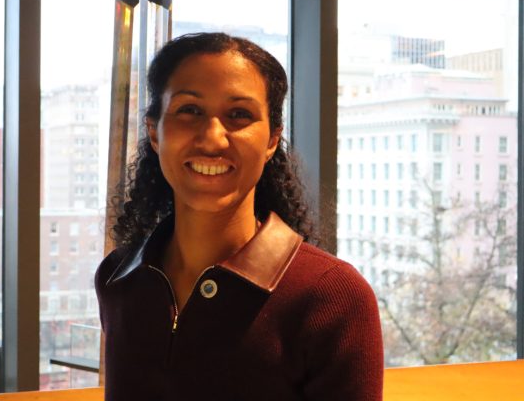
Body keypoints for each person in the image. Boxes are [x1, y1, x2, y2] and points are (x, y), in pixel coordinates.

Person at [95, 32, 383, 400]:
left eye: (239, 115)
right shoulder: (118, 278)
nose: (213, 139)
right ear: (154, 131)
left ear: (271, 140)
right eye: (190, 110)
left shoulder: (332, 297)